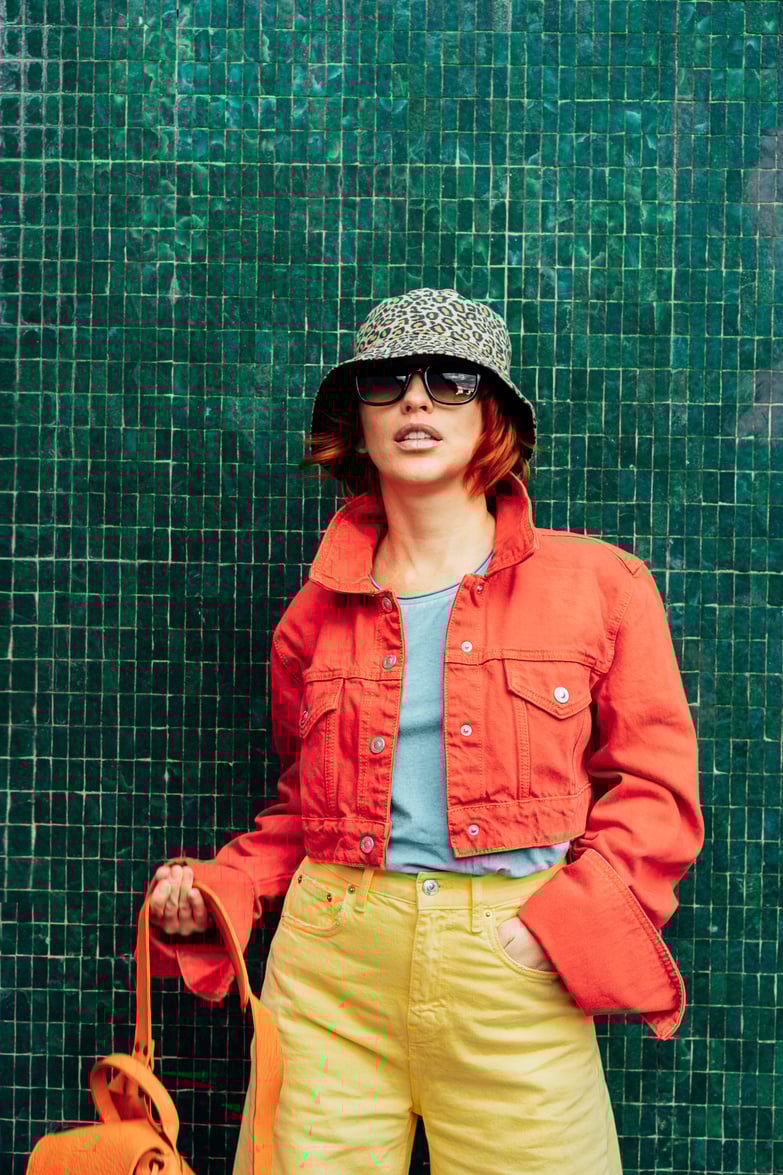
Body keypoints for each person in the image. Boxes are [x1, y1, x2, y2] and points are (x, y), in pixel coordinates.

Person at [145, 287, 704, 1174]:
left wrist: (553, 928)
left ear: (491, 418)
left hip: (516, 967)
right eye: (386, 382)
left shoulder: (602, 583)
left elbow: (657, 793)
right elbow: (305, 811)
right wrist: (217, 890)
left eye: (449, 380)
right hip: (330, 971)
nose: (414, 400)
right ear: (355, 421)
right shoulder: (312, 618)